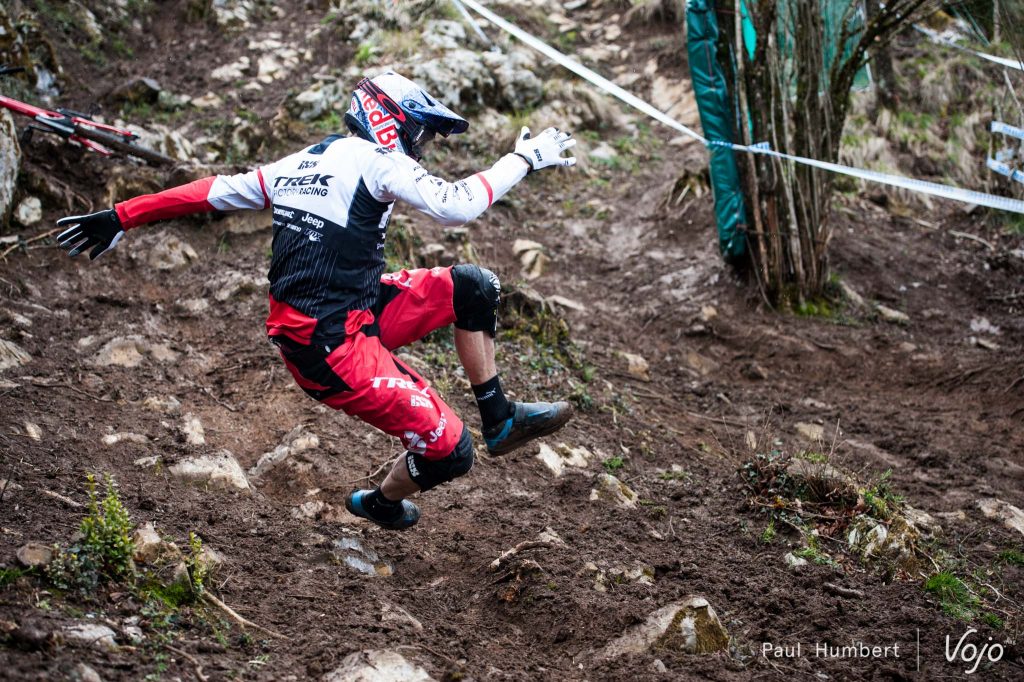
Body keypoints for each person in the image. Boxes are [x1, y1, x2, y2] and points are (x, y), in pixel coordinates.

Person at [55, 71, 577, 530]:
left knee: (472, 286)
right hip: (329, 348)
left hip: (357, 311)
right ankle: (380, 502)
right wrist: (523, 159)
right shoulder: (376, 160)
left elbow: (209, 191)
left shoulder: (303, 161)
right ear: (391, 120)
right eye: (419, 134)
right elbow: (455, 205)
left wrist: (122, 215)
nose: (421, 148)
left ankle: (501, 417)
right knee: (451, 451)